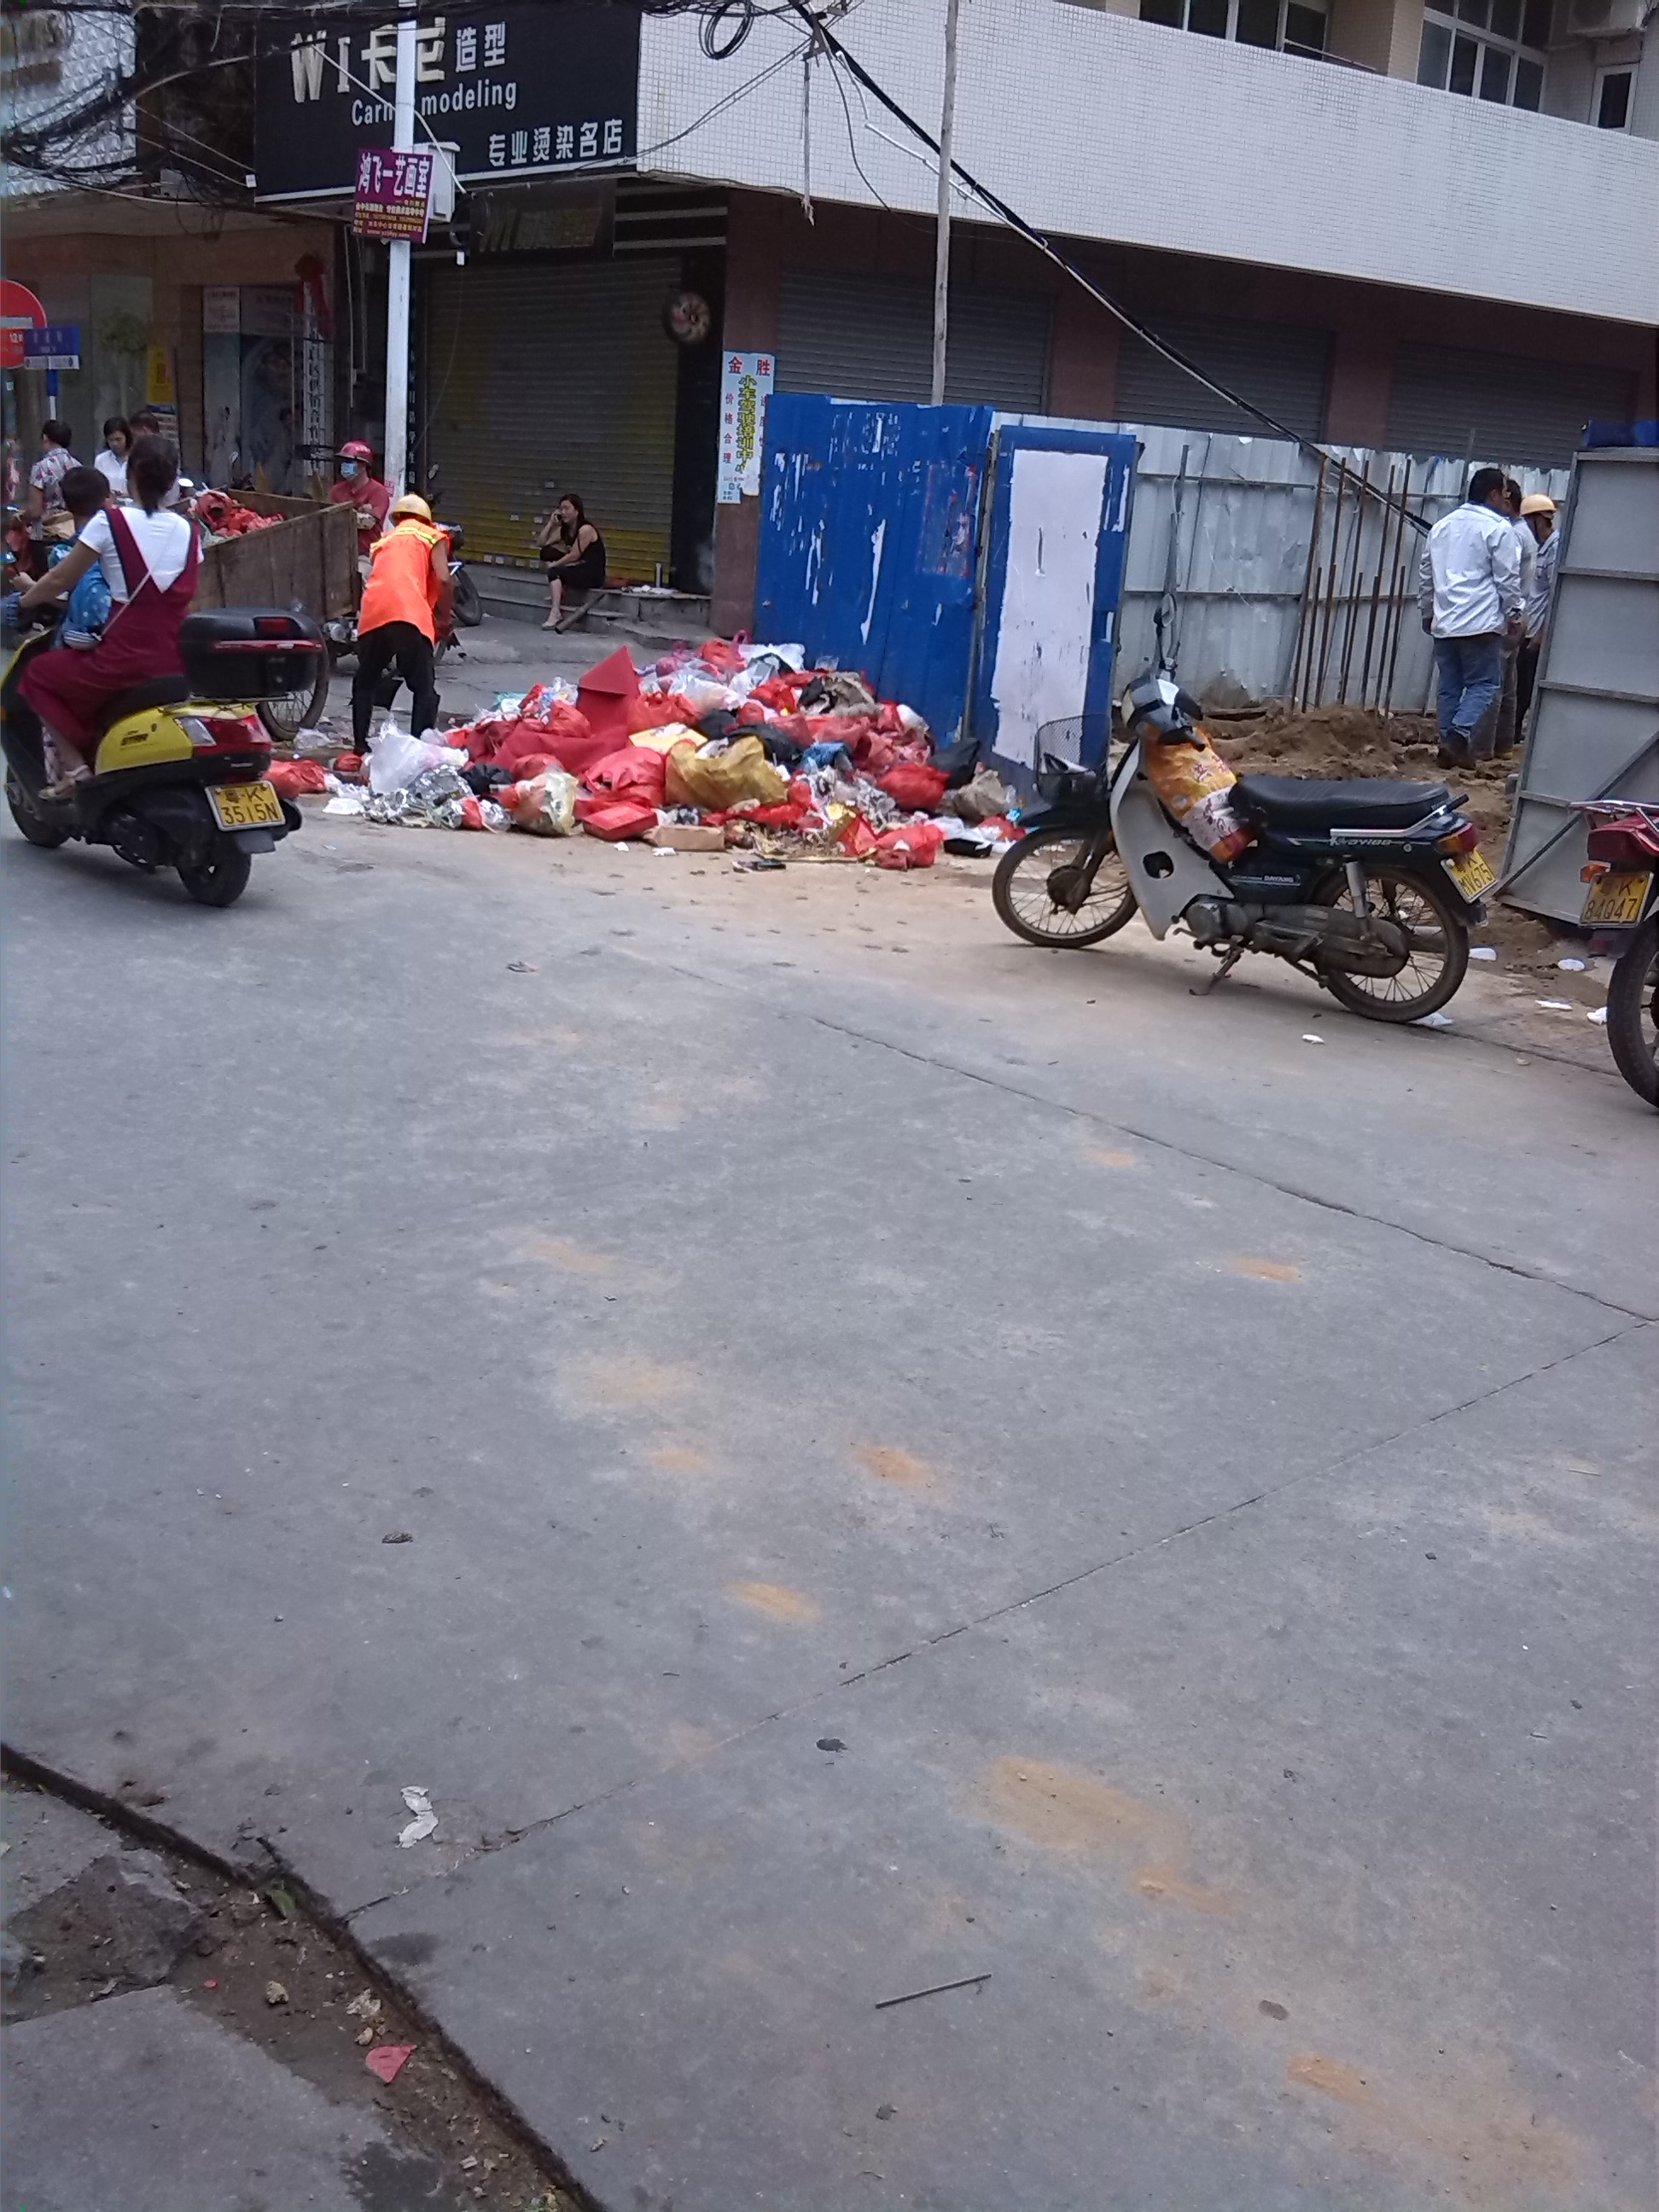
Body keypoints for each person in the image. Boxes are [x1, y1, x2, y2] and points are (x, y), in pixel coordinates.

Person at [15, 434, 200, 797]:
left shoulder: (110, 522)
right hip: (177, 662)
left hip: (122, 660)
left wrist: (24, 601)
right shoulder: (189, 532)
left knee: (37, 674)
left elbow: (60, 579)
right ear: (171, 482)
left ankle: (77, 769)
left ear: (130, 475)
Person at [1417, 465, 1523, 768]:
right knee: (1485, 684)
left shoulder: (1442, 527)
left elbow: (1426, 574)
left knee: (1449, 687)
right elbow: (1507, 578)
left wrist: (1427, 611)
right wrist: (1515, 613)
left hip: (1445, 621)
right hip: (1481, 623)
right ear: (1493, 494)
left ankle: (1449, 748)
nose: (1506, 499)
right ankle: (1458, 736)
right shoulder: (1498, 529)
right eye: (1504, 493)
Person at [351, 490, 451, 754]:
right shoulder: (432, 535)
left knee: (365, 681)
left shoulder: (384, 540)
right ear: (426, 519)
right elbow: (443, 579)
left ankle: (359, 746)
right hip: (408, 614)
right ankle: (419, 752)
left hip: (373, 612)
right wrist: (444, 619)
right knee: (424, 689)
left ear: (397, 519)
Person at [41, 466, 115, 648]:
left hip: (79, 637)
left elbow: (64, 601)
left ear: (66, 506)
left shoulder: (61, 552)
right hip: (119, 628)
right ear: (107, 500)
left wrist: (29, 588)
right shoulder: (120, 540)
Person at [1491, 478, 1538, 756]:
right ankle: (1504, 744)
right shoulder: (1523, 532)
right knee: (1508, 684)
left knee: (1492, 684)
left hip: (1509, 616)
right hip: (1519, 613)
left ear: (1506, 502)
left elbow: (1507, 578)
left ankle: (1484, 745)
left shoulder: (1513, 535)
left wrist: (1511, 613)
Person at [1516, 492, 1557, 741]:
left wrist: (1541, 634)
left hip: (1537, 634)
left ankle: (1516, 732)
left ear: (1538, 520)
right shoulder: (1538, 548)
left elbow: (1556, 595)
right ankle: (1514, 732)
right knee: (1519, 683)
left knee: (1524, 685)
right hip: (1527, 629)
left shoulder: (1555, 549)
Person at [536, 492, 605, 630]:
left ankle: (555, 612)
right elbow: (542, 543)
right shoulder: (565, 530)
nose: (563, 512)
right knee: (546, 552)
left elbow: (574, 555)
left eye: (567, 508)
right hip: (577, 566)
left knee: (554, 572)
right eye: (561, 509)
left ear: (577, 511)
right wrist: (551, 523)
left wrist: (554, 565)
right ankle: (558, 589)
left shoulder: (585, 529)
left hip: (591, 573)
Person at [23, 420, 80, 566]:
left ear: (45, 438)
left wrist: (20, 519)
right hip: (72, 531)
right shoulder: (78, 466)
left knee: (45, 576)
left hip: (46, 535)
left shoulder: (41, 467)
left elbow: (35, 510)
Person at [329, 439, 391, 556]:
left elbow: (367, 522)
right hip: (338, 553)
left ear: (363, 465)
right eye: (343, 461)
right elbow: (328, 519)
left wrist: (340, 515)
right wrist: (360, 510)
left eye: (349, 461)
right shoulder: (336, 491)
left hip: (366, 555)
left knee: (362, 568)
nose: (344, 465)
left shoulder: (378, 491)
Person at [93, 417, 132, 500]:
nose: (115, 444)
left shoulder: (137, 459)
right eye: (111, 440)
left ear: (127, 437)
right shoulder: (101, 460)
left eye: (118, 439)